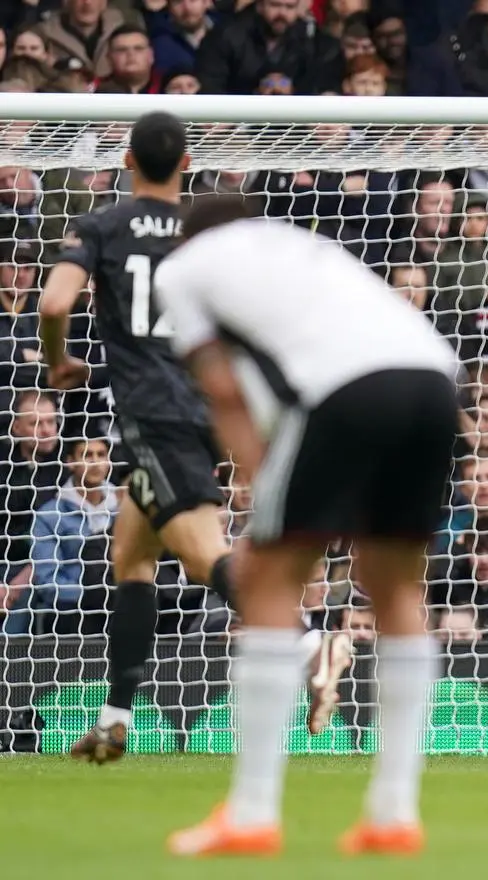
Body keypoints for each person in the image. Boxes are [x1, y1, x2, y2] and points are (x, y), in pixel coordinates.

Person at [38, 111, 350, 763]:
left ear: (127, 162)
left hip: (155, 415)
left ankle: (308, 643)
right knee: (131, 553)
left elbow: (53, 303)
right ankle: (115, 721)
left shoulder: (102, 226)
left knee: (204, 554)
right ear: (186, 164)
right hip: (207, 409)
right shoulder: (205, 236)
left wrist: (58, 362)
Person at [153, 197, 458, 856]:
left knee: (266, 578)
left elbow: (226, 391)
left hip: (344, 389)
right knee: (397, 586)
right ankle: (394, 814)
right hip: (436, 378)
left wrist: (265, 487)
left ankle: (251, 813)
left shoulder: (180, 270)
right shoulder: (298, 244)